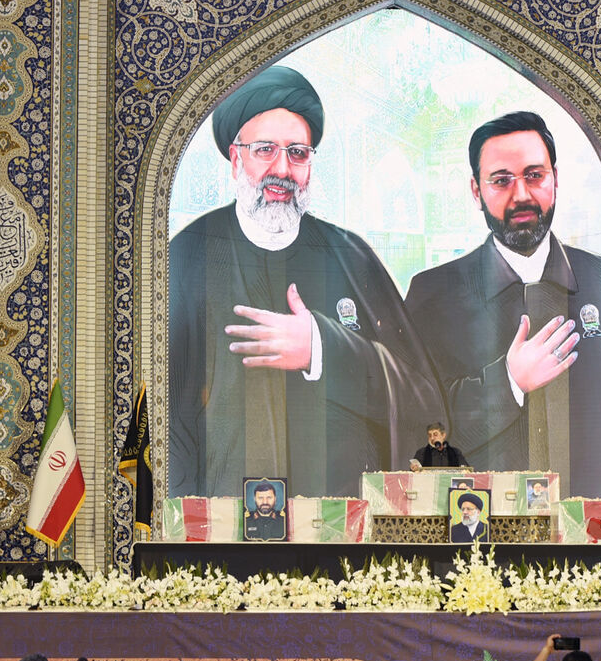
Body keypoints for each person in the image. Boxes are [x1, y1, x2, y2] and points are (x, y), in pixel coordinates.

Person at [167, 65, 443, 499]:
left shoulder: (350, 257)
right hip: (224, 535)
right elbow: (163, 417)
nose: (283, 169)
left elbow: (424, 399)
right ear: (235, 157)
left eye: (297, 153)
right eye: (265, 150)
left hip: (347, 536)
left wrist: (321, 347)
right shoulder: (186, 256)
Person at [404, 111, 601, 497]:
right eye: (502, 180)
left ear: (556, 179)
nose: (521, 195)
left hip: (597, 538)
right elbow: (412, 424)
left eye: (535, 176)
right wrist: (509, 382)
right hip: (476, 542)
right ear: (476, 190)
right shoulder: (432, 294)